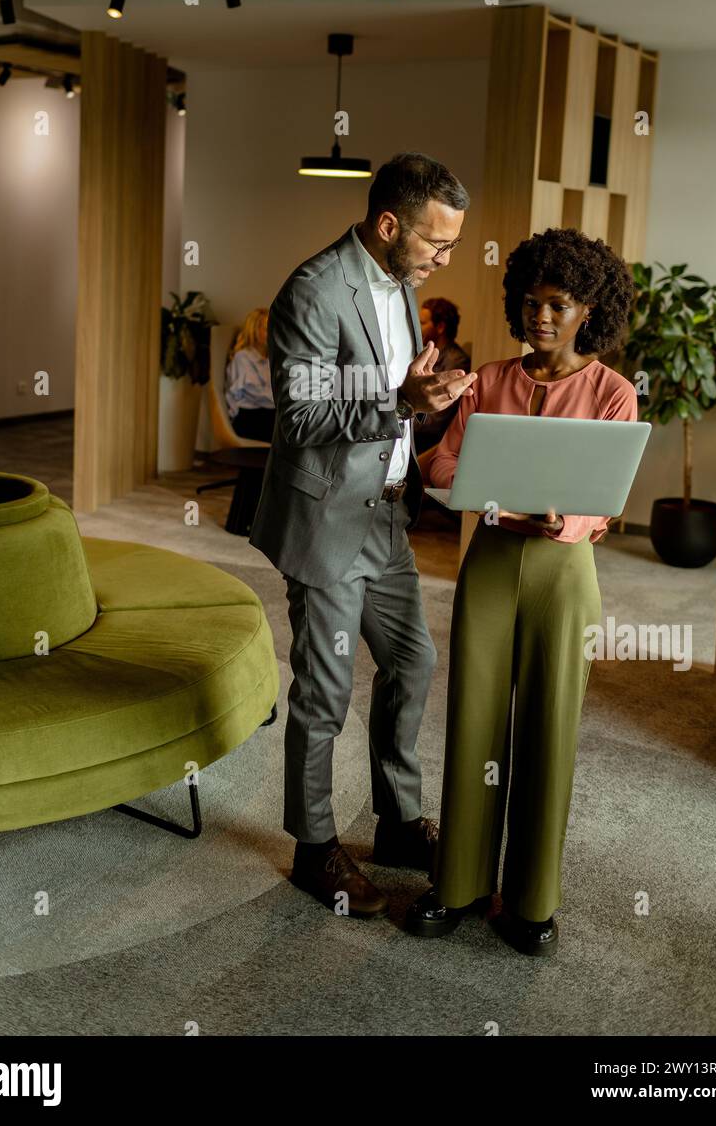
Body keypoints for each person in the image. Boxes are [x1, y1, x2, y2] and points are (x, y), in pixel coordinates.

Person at [249, 153, 478, 918]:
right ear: (389, 225)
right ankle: (314, 849)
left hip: (385, 515)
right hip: (325, 518)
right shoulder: (312, 291)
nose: (444, 259)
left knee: (413, 662)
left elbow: (393, 399)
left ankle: (399, 823)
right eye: (436, 245)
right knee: (325, 691)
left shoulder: (403, 288)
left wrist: (426, 406)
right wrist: (398, 401)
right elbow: (306, 420)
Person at [406, 227, 637, 956]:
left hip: (564, 578)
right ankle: (460, 886)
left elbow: (607, 503)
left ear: (588, 310)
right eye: (531, 301)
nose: (541, 316)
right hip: (491, 565)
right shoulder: (490, 379)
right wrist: (485, 493)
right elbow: (440, 465)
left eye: (558, 304)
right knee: (474, 722)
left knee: (549, 732)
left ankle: (532, 905)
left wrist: (565, 519)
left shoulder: (612, 393)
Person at [414, 298, 471, 453]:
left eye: (422, 323)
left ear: (440, 327)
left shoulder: (457, 361)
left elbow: (436, 420)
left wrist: (401, 416)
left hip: (430, 446)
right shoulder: (424, 353)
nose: (417, 327)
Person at [225, 308, 275, 442]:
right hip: (248, 417)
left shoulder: (269, 358)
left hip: (266, 413)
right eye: (266, 328)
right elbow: (254, 393)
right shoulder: (243, 357)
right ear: (254, 330)